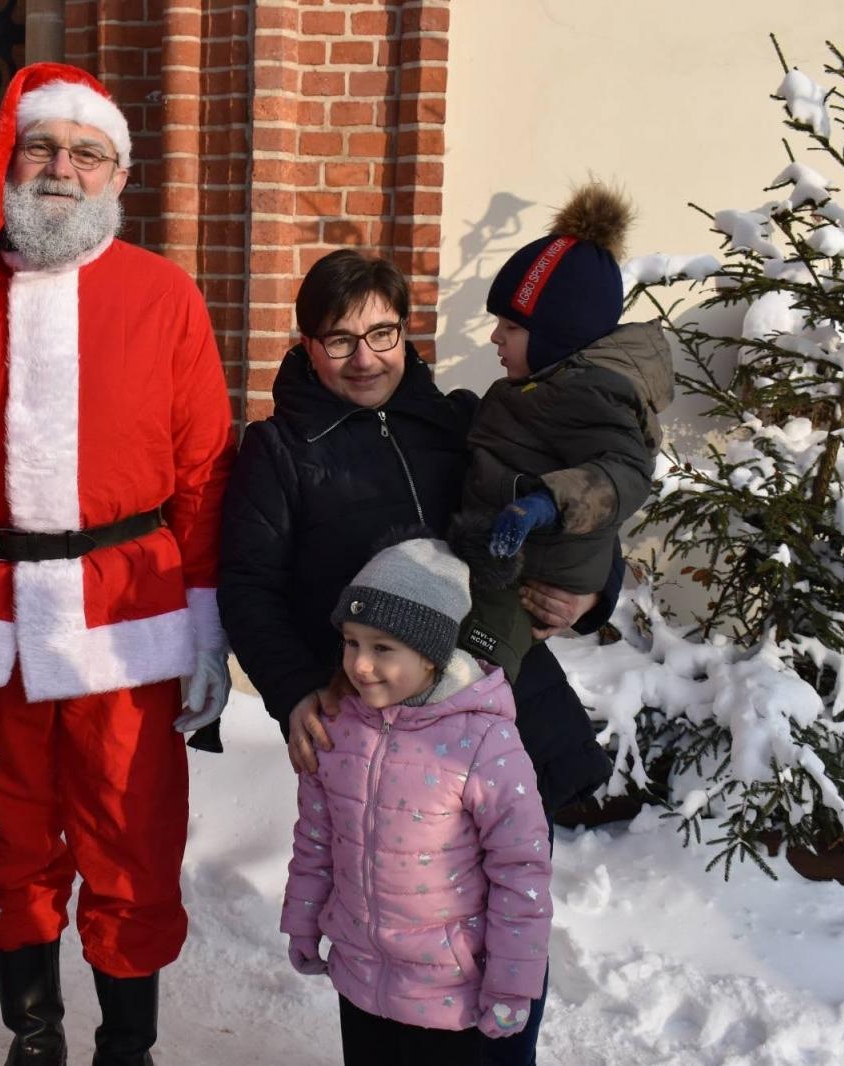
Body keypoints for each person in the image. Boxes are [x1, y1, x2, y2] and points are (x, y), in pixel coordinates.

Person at [0, 63, 236, 1065]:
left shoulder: (163, 294)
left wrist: (207, 621)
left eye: (87, 151)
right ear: (9, 155)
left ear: (119, 174)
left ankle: (127, 1046)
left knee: (132, 834)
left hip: (130, 614)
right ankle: (33, 1033)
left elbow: (204, 471)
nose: (61, 168)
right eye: (43, 146)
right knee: (3, 835)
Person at [218, 248, 615, 1066]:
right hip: (377, 728)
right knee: (397, 917)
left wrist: (593, 589)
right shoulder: (282, 450)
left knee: (503, 907)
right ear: (304, 346)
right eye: (338, 340)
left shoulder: (465, 421)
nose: (364, 358)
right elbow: (248, 587)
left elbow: (575, 505)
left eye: (382, 332)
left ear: (408, 331)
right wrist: (294, 692)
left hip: (498, 712)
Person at [282, 533, 552, 1065]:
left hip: (449, 995)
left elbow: (521, 872)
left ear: (432, 655)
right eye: (352, 641)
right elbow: (316, 838)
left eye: (384, 648)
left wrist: (512, 985)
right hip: (361, 980)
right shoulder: (338, 725)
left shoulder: (482, 742)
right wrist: (304, 921)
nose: (361, 665)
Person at [460, 184, 673, 680]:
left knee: (474, 671)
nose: (494, 336)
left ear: (558, 335)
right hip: (509, 563)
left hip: (533, 579)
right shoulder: (546, 387)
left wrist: (548, 501)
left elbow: (623, 471)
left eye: (510, 327)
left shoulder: (591, 392)